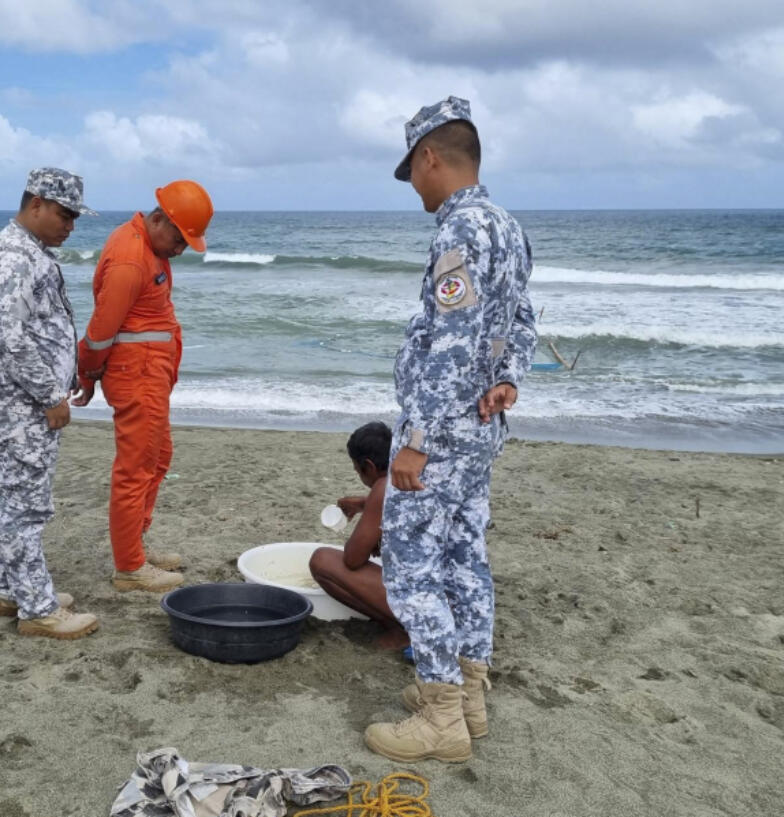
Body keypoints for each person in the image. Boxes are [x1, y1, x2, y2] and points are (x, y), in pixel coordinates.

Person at [363, 96, 537, 764]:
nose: (415, 187)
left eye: (414, 172)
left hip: (443, 433)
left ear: (431, 156)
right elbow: (522, 319)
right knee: (466, 556)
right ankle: (469, 696)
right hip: (482, 429)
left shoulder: (461, 228)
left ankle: (440, 712)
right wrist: (511, 377)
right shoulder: (509, 226)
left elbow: (455, 341)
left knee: (412, 564)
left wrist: (416, 440)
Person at [0, 168, 100, 640]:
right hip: (21, 404)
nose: (70, 225)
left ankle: (12, 589)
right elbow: (11, 337)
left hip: (17, 402)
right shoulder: (12, 255)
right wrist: (50, 396)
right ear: (35, 205)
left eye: (74, 217)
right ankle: (38, 608)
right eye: (64, 215)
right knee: (27, 506)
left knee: (13, 498)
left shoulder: (28, 251)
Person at [72, 181, 213, 593]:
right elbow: (99, 332)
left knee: (159, 457)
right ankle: (130, 566)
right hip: (137, 378)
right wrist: (87, 375)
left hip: (149, 375)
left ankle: (135, 544)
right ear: (156, 220)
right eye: (179, 239)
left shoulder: (145, 245)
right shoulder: (132, 259)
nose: (181, 250)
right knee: (135, 470)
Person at [307, 421, 408, 649]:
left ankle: (403, 630)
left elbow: (353, 559)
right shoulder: (411, 474)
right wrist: (365, 504)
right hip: (450, 594)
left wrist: (369, 512)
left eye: (356, 469)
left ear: (369, 467)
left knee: (321, 560)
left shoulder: (383, 488)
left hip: (425, 601)